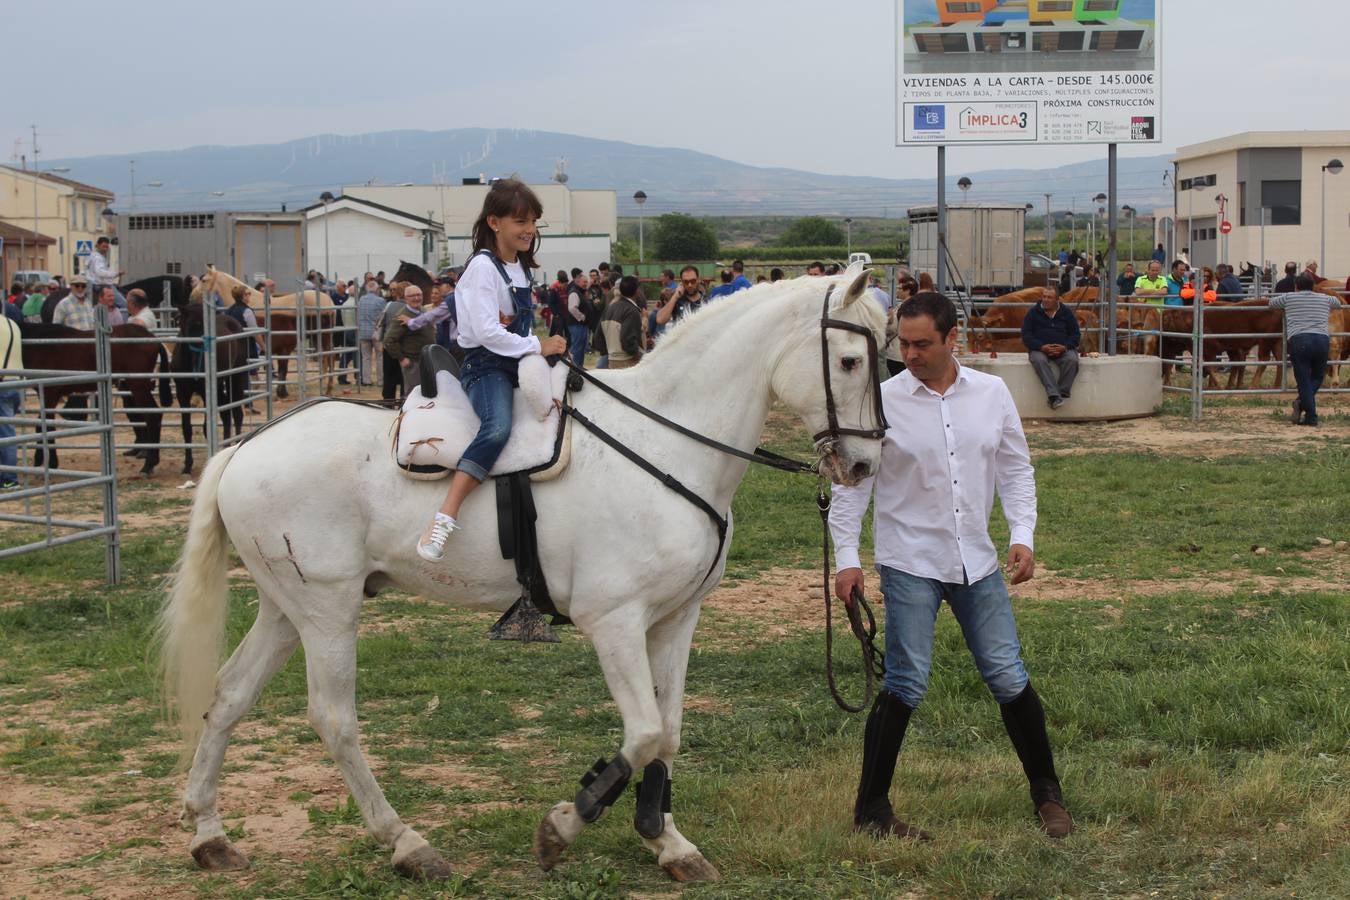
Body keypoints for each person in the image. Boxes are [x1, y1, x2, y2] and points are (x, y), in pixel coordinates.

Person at [831, 291, 1072, 842]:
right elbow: (850, 488)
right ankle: (871, 809)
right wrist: (847, 560)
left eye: (922, 344)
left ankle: (1048, 795)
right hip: (909, 559)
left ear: (951, 338)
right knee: (906, 681)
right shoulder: (881, 400)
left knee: (1009, 676)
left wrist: (1023, 535)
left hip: (978, 560)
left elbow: (1016, 467)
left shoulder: (991, 393)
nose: (910, 354)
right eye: (904, 343)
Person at [416, 179, 568, 561]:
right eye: (520, 221)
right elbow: (484, 333)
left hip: (518, 361)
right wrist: (538, 344)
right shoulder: (483, 267)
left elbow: (511, 326)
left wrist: (537, 347)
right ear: (494, 222)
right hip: (486, 367)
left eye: (533, 221)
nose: (529, 230)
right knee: (498, 427)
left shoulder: (518, 267)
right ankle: (445, 513)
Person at [1269, 273, 1343, 427]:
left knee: (1303, 380)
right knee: (1317, 376)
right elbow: (1337, 302)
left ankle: (1310, 415)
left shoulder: (1289, 297)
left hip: (1299, 340)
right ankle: (1303, 406)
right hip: (1322, 340)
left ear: (1296, 286)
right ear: (1313, 286)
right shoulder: (1323, 298)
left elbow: (1271, 303)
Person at [1021, 285, 1081, 409]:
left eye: (1049, 297)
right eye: (1044, 297)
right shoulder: (1033, 313)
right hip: (1040, 349)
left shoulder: (1066, 313)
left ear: (1057, 299)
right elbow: (1026, 335)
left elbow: (1076, 335)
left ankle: (1061, 392)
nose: (1046, 300)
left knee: (1072, 360)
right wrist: (1041, 347)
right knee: (1039, 360)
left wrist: (1065, 347)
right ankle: (1054, 396)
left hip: (1063, 348)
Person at [382, 284, 434, 396]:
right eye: (412, 296)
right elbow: (389, 340)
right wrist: (402, 358)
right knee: (412, 395)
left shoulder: (423, 311)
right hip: (413, 362)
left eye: (419, 295)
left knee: (426, 394)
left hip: (427, 361)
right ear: (406, 299)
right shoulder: (401, 316)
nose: (416, 298)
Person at [595, 274, 646, 369]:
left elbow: (598, 336)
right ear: (637, 291)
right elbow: (627, 339)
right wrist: (637, 355)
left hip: (611, 360)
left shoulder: (610, 308)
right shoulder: (632, 310)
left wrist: (607, 353)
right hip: (628, 361)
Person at [0, 313, 22, 490]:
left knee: (6, 432)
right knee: (6, 429)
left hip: (2, 382)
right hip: (17, 381)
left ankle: (9, 477)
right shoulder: (11, 323)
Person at [885, 276, 918, 377]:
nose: (897, 290)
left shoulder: (903, 307)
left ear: (908, 290)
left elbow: (893, 329)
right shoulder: (917, 305)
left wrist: (888, 320)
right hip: (907, 351)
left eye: (899, 288)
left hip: (896, 353)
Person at [356, 279, 385, 386]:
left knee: (366, 357)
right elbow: (383, 316)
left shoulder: (361, 300)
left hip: (363, 332)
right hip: (376, 332)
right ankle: (381, 381)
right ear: (377, 289)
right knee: (380, 357)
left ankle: (366, 380)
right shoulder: (381, 301)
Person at [565, 269, 595, 367]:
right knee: (577, 348)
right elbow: (572, 308)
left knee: (581, 348)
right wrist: (582, 317)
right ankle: (575, 369)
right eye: (584, 282)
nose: (586, 284)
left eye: (587, 282)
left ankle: (579, 368)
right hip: (576, 325)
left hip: (581, 325)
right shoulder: (574, 292)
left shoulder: (580, 291)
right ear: (578, 282)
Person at [85, 236, 126, 308]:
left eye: (107, 247)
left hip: (95, 284)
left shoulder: (92, 256)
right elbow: (100, 272)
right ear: (97, 245)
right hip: (102, 285)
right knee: (124, 304)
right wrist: (116, 273)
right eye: (103, 246)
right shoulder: (98, 258)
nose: (105, 249)